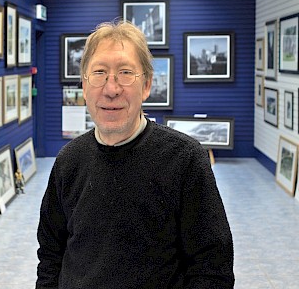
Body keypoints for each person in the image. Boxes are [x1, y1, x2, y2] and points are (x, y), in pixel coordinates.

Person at [36, 20, 234, 288]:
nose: (111, 89)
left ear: (147, 85)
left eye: (126, 73)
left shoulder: (186, 160)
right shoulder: (68, 161)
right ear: (84, 86)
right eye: (99, 73)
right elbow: (50, 256)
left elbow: (212, 269)